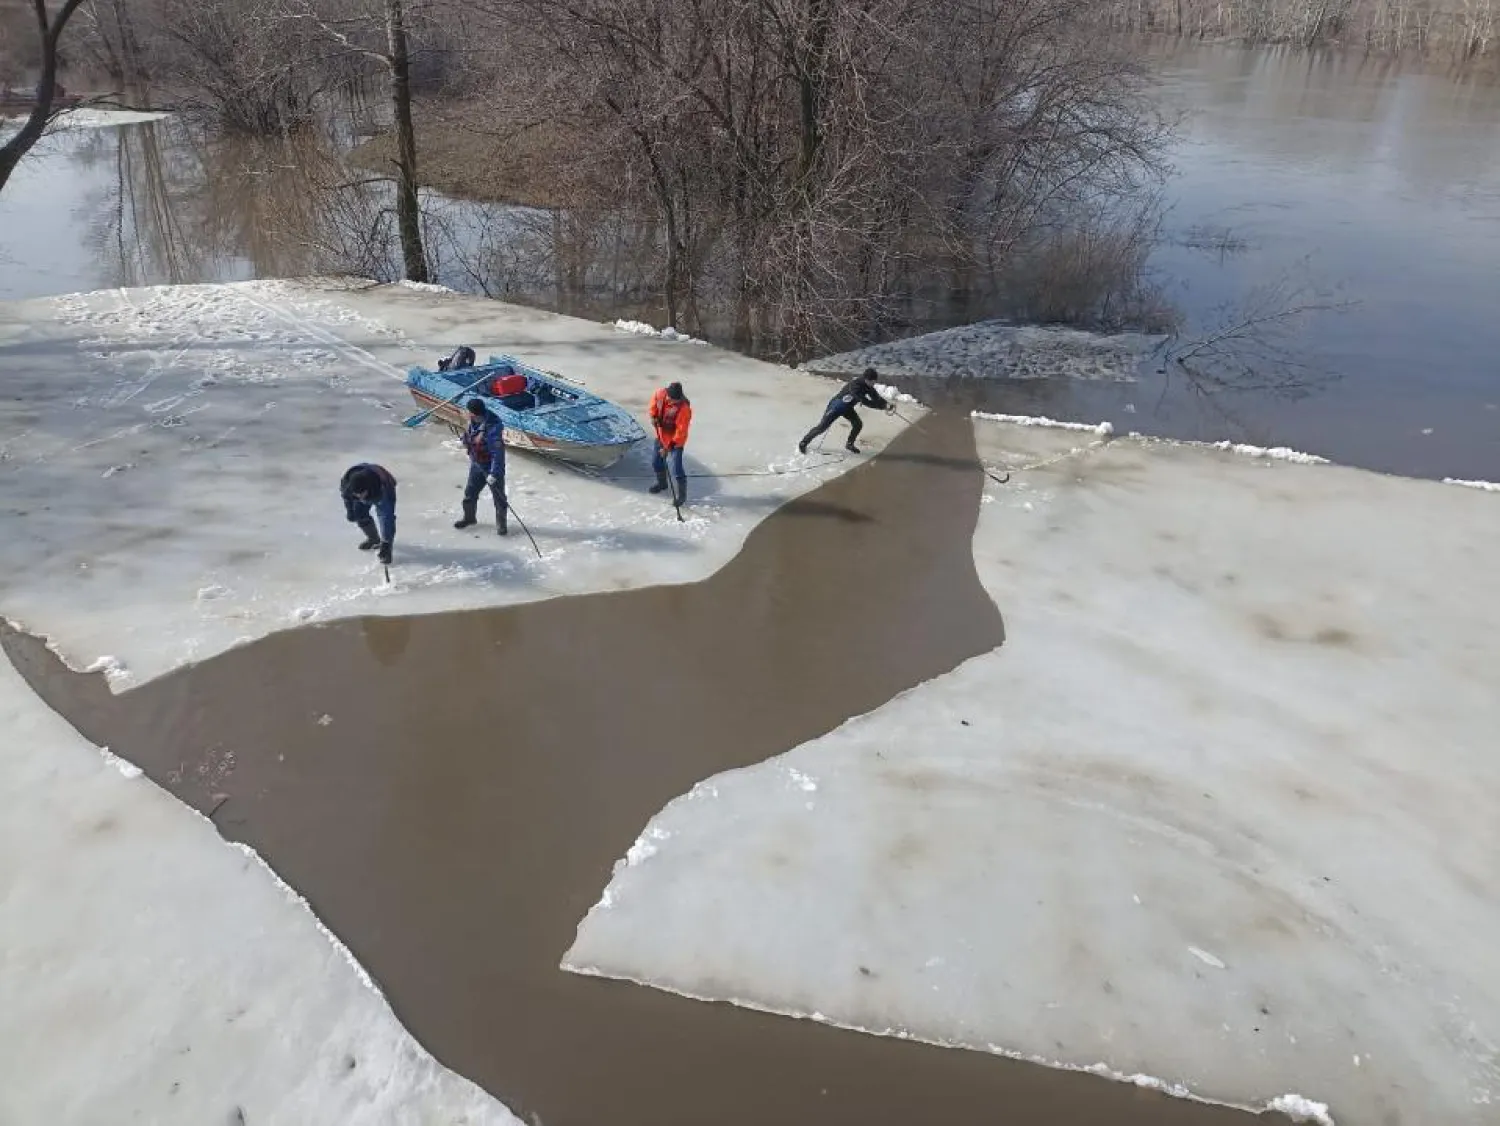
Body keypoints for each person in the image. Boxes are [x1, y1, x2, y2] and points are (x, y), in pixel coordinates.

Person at [798, 367, 892, 455]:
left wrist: (886, 404)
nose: (874, 384)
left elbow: (876, 397)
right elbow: (865, 401)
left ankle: (849, 444)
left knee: (857, 424)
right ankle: (803, 442)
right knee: (822, 427)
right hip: (836, 406)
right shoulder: (855, 386)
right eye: (873, 382)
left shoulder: (869, 386)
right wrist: (882, 407)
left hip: (847, 408)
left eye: (875, 382)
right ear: (867, 379)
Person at [455, 398, 507, 535]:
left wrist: (494, 474)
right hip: (477, 465)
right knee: (469, 494)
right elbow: (469, 435)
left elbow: (498, 454)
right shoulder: (473, 422)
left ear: (473, 413)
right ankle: (469, 518)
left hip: (491, 467)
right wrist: (464, 440)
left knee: (499, 499)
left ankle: (501, 525)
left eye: (469, 412)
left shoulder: (493, 428)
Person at [340, 463, 397, 564]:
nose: (359, 496)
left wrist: (386, 543)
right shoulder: (347, 486)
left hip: (385, 483)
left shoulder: (382, 489)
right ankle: (373, 539)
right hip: (361, 480)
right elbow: (347, 498)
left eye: (361, 494)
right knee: (359, 514)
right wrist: (350, 510)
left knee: (386, 517)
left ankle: (386, 548)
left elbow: (386, 517)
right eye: (356, 494)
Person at [648, 381, 692, 504]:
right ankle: (662, 484)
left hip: (676, 441)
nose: (674, 402)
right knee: (656, 462)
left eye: (677, 400)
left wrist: (667, 448)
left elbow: (681, 431)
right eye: (673, 399)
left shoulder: (684, 409)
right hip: (661, 435)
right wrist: (653, 417)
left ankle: (681, 496)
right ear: (667, 394)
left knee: (676, 468)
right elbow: (653, 406)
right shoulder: (660, 394)